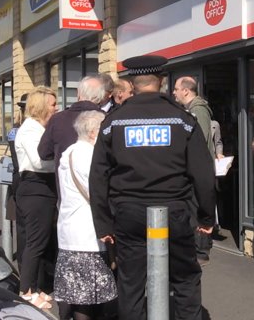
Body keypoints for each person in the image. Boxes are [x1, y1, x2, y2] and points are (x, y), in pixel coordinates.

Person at [90, 55, 216, 320]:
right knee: (185, 278)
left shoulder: (113, 122)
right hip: (175, 213)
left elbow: (98, 176)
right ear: (161, 81)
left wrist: (103, 224)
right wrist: (205, 216)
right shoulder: (182, 120)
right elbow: (203, 173)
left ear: (133, 84)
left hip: (129, 214)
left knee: (131, 283)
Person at [54, 110, 117, 320]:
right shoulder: (89, 155)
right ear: (92, 132)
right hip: (87, 235)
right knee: (87, 298)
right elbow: (99, 192)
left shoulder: (70, 151)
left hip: (70, 232)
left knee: (77, 294)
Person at [14, 86, 58, 309]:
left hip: (41, 188)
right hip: (35, 187)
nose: (56, 107)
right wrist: (61, 160)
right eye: (52, 104)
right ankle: (27, 291)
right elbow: (39, 161)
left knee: (41, 241)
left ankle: (35, 287)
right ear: (41, 106)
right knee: (35, 242)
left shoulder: (38, 128)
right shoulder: (31, 130)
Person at [172, 76, 215, 264]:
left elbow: (201, 140)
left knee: (198, 207)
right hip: (192, 168)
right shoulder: (188, 110)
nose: (173, 92)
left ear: (186, 91)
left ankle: (200, 250)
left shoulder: (198, 111)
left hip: (198, 168)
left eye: (176, 88)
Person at [37, 75, 106, 172]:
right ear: (101, 97)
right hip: (99, 181)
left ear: (78, 93)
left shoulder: (58, 119)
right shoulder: (107, 119)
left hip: (66, 181)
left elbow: (44, 153)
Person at [7, 94, 27, 266]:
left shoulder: (15, 129)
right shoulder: (19, 131)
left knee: (22, 228)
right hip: (22, 181)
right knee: (25, 229)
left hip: (18, 182)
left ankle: (23, 267)